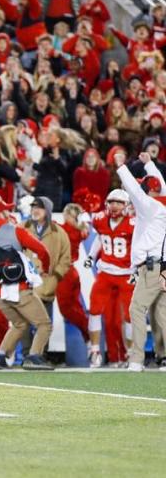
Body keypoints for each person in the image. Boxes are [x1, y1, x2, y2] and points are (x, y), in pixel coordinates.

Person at [0, 197, 55, 370]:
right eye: (6, 210)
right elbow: (42, 250)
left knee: (20, 324)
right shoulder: (14, 230)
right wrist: (46, 268)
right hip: (17, 288)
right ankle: (34, 357)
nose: (9, 212)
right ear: (1, 214)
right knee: (44, 324)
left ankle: (0, 357)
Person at [113, 152, 166, 371]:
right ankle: (163, 357)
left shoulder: (151, 206)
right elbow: (161, 184)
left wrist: (120, 166)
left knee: (137, 308)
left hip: (153, 267)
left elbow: (134, 191)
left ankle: (136, 358)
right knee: (160, 313)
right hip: (162, 266)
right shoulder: (162, 205)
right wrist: (149, 164)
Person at [85, 187, 134, 368]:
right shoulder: (99, 220)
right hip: (105, 271)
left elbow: (138, 245)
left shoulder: (133, 223)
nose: (114, 206)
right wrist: (91, 256)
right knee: (95, 309)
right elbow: (100, 237)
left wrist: (137, 267)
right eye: (112, 202)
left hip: (126, 273)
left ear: (126, 205)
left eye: (119, 202)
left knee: (130, 315)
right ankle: (95, 351)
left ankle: (130, 354)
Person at [23, 196, 71, 325]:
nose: (35, 210)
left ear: (48, 211)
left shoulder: (59, 232)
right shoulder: (21, 228)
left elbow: (66, 258)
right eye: (33, 207)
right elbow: (11, 253)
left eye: (40, 207)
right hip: (25, 285)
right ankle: (28, 346)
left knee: (44, 326)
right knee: (24, 326)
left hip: (46, 285)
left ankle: (43, 346)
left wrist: (55, 276)